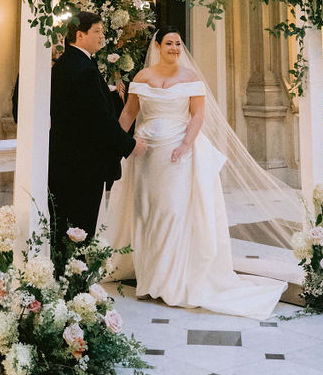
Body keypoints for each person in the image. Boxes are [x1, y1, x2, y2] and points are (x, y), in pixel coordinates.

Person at [102, 26, 303, 316]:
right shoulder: (142, 77)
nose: (174, 48)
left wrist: (185, 145)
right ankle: (149, 281)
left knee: (172, 213)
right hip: (145, 155)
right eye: (169, 43)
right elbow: (129, 113)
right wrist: (121, 142)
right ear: (157, 46)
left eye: (178, 44)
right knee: (145, 212)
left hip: (177, 153)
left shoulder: (191, 78)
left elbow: (198, 116)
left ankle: (171, 281)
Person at [48, 11, 145, 238]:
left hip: (66, 161)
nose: (102, 36)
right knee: (80, 227)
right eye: (97, 32)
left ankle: (67, 271)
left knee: (64, 225)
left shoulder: (66, 63)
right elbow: (98, 120)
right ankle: (75, 272)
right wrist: (129, 145)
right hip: (83, 164)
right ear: (80, 35)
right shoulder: (84, 70)